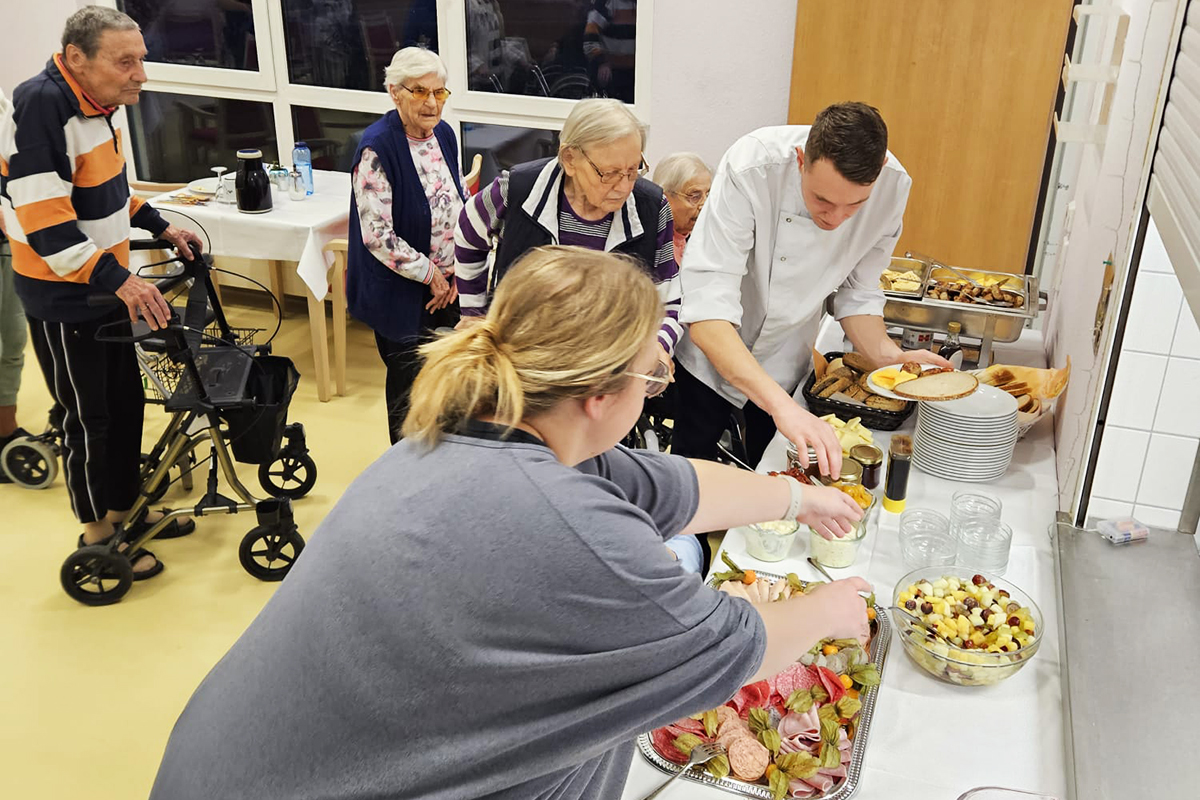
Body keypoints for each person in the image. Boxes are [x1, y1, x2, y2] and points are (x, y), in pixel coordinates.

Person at [149, 246, 869, 800]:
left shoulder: (483, 428)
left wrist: (799, 500)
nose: (655, 394)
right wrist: (834, 607)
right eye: (652, 379)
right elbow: (735, 648)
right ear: (598, 394)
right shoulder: (577, 531)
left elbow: (675, 487)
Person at [0, 6, 202, 572]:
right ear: (76, 59)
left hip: (105, 286)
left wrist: (158, 223)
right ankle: (96, 535)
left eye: (141, 59)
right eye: (125, 62)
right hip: (65, 294)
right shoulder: (42, 106)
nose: (141, 74)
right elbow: (44, 220)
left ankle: (124, 507)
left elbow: (107, 187)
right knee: (86, 416)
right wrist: (122, 281)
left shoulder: (100, 104)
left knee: (124, 402)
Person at [673, 102, 951, 474]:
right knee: (691, 477)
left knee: (768, 477)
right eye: (821, 199)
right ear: (801, 159)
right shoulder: (752, 166)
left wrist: (888, 357)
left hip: (785, 356)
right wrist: (783, 408)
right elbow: (708, 308)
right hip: (712, 355)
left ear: (879, 172)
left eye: (854, 205)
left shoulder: (893, 188)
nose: (834, 218)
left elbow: (857, 293)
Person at [455, 97, 682, 374]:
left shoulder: (652, 208)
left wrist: (659, 347)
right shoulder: (517, 190)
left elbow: (669, 301)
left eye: (633, 171)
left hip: (604, 374)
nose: (624, 186)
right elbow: (468, 232)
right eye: (609, 173)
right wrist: (473, 313)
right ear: (570, 159)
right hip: (521, 366)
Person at [347, 46, 468, 444]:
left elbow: (458, 201)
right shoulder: (377, 148)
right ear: (394, 92)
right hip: (400, 292)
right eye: (419, 92)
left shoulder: (444, 135)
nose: (432, 103)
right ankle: (403, 474)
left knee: (450, 389)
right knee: (408, 394)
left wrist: (454, 273)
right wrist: (431, 274)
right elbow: (378, 235)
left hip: (447, 286)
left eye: (439, 92)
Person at [653, 151, 711, 264]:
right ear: (665, 196)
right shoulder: (650, 245)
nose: (704, 205)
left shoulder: (704, 241)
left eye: (708, 195)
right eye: (695, 196)